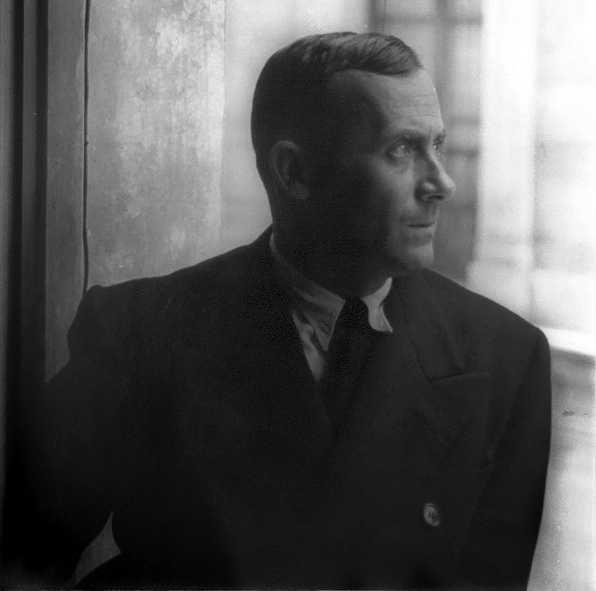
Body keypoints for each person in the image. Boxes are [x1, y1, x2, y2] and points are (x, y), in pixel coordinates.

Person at [7, 33, 551, 589]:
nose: (442, 183)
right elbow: (22, 559)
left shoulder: (505, 359)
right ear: (294, 172)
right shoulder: (138, 332)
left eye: (438, 144)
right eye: (401, 150)